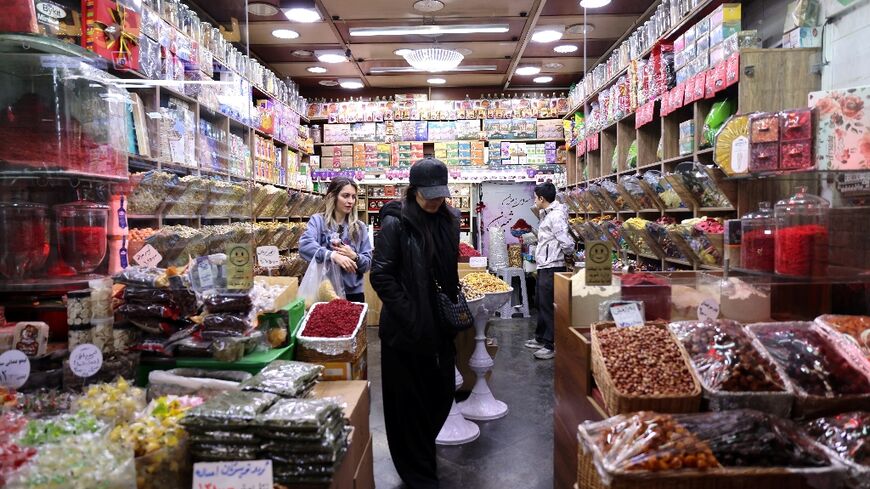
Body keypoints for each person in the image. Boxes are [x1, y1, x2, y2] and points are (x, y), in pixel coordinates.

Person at [370, 157, 460, 489]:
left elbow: (447, 272)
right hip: (405, 332)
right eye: (429, 194)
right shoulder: (396, 223)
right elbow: (381, 275)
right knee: (407, 404)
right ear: (413, 190)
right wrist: (411, 315)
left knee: (441, 395)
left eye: (440, 193)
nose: (435, 200)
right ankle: (419, 473)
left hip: (440, 328)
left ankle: (422, 456)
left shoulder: (450, 221)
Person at [299, 177, 371, 303]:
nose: (350, 201)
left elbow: (368, 264)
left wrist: (354, 256)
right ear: (333, 197)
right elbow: (305, 246)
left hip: (353, 294)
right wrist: (331, 255)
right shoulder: (318, 221)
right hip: (324, 291)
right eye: (345, 196)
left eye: (353, 197)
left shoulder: (359, 228)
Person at [525, 182, 574, 360]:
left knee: (547, 306)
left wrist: (569, 254)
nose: (534, 201)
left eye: (535, 197)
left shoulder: (556, 216)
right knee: (540, 302)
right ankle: (540, 337)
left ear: (541, 198)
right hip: (545, 265)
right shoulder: (548, 214)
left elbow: (565, 241)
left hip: (552, 265)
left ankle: (550, 345)